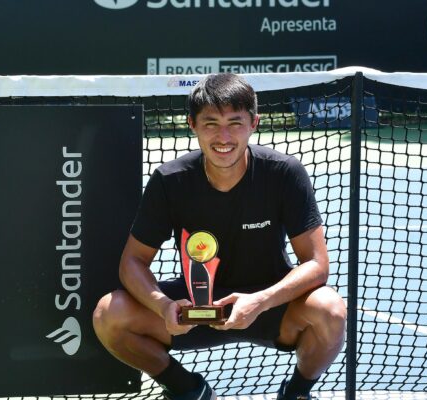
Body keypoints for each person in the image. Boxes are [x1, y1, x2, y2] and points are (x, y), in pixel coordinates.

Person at [93, 73, 346, 400]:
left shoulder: (285, 173)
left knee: (331, 310)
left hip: (268, 304)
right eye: (210, 123)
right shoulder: (169, 180)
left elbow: (316, 263)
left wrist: (259, 301)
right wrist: (163, 306)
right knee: (108, 314)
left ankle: (296, 393)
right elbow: (133, 261)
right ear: (192, 124)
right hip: (194, 309)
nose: (223, 136)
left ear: (254, 123)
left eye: (235, 123)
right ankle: (187, 389)